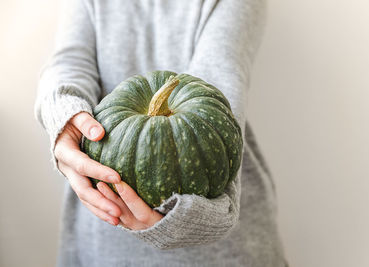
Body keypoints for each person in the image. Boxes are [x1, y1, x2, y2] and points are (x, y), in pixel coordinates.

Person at [34, 0, 289, 266]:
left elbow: (217, 87)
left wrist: (196, 217)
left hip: (224, 251)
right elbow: (68, 64)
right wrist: (65, 117)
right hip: (107, 234)